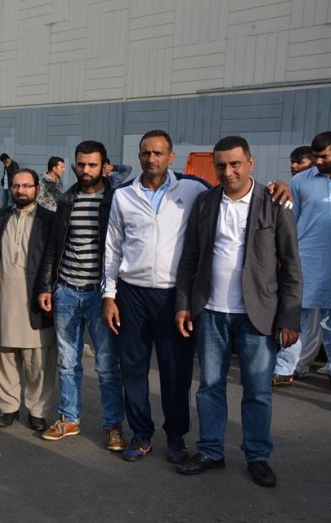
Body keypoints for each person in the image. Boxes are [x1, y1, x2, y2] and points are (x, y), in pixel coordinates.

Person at [103, 130, 292, 463]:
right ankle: (143, 434)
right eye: (146, 153)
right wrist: (109, 293)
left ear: (171, 157)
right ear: (139, 156)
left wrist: (280, 186)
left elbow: (236, 191)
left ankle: (178, 437)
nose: (151, 159)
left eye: (158, 153)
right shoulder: (125, 196)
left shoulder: (193, 190)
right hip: (134, 294)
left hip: (177, 297)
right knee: (134, 369)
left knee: (179, 374)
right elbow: (113, 247)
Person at [174, 135, 301, 488]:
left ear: (250, 163)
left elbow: (291, 265)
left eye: (235, 164)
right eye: (221, 166)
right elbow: (190, 258)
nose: (228, 172)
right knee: (209, 387)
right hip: (211, 312)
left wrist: (290, 317)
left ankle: (257, 456)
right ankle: (211, 450)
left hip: (257, 315)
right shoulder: (205, 202)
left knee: (257, 390)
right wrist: (183, 305)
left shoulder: (274, 202)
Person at [37, 141, 126, 451]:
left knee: (106, 365)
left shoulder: (116, 198)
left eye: (92, 165)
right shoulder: (66, 199)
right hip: (66, 292)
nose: (85, 170)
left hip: (101, 295)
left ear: (104, 166)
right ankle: (69, 418)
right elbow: (54, 245)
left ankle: (113, 425)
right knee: (67, 362)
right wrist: (47, 286)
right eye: (81, 164)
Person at [0, 169, 57, 432]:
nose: (21, 191)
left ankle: (38, 411)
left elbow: (55, 258)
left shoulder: (49, 219)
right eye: (16, 186)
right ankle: (8, 407)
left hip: (36, 297)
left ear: (37, 188)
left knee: (39, 359)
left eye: (27, 186)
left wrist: (50, 289)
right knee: (4, 355)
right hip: (5, 295)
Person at [272, 132, 331, 385]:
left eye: (324, 156)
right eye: (316, 156)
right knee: (296, 315)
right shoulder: (300, 181)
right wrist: (282, 255)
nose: (319, 161)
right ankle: (285, 369)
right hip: (306, 258)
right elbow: (291, 222)